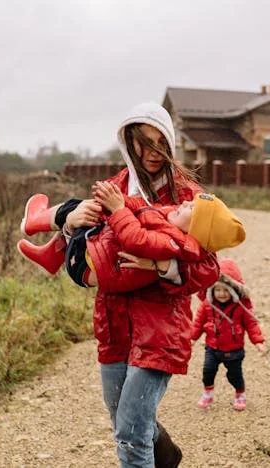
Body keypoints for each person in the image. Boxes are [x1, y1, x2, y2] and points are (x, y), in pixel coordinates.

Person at [60, 102, 224, 468]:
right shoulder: (111, 190)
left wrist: (161, 264)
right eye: (144, 143)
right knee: (125, 421)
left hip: (161, 325)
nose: (152, 153)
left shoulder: (190, 198)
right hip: (114, 321)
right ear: (129, 142)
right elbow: (84, 249)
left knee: (131, 432)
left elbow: (210, 268)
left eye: (160, 143)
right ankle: (167, 458)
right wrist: (71, 221)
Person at [17, 181, 245, 292]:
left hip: (86, 266)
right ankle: (51, 255)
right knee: (90, 210)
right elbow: (144, 207)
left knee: (80, 208)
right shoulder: (170, 220)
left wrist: (117, 209)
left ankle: (35, 221)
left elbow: (136, 239)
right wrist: (118, 199)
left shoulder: (174, 243)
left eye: (191, 208)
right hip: (90, 260)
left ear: (196, 228)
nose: (185, 202)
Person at [190, 258, 267, 411]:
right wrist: (192, 338)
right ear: (211, 290)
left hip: (234, 350)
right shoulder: (207, 304)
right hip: (212, 347)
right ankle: (208, 393)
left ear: (234, 290)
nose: (222, 294)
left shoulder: (241, 306)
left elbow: (251, 324)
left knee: (234, 375)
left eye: (226, 290)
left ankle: (240, 394)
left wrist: (258, 341)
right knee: (208, 372)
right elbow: (198, 323)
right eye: (218, 290)